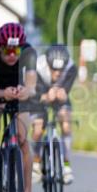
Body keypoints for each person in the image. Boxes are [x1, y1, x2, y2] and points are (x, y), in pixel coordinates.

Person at [0, 23, 38, 192]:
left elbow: (32, 86)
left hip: (19, 95)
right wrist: (3, 94)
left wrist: (25, 91)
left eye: (15, 51)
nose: (12, 55)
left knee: (23, 138)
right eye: (7, 51)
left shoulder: (29, 53)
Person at [31, 44, 77, 184]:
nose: (57, 73)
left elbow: (66, 89)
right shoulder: (38, 67)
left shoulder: (71, 67)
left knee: (66, 123)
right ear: (47, 64)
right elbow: (33, 93)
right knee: (38, 128)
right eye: (54, 69)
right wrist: (45, 96)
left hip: (59, 96)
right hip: (40, 96)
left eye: (60, 70)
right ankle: (36, 163)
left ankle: (66, 165)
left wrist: (63, 92)